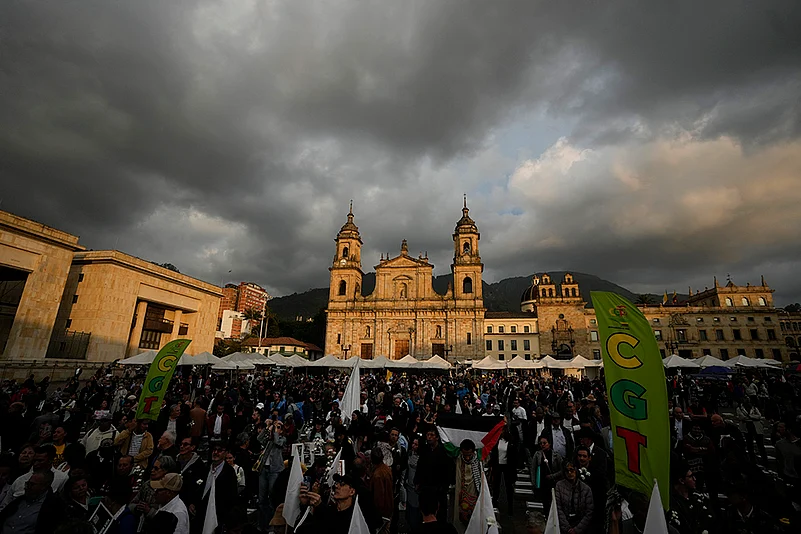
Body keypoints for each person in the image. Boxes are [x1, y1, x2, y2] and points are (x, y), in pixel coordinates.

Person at [189, 442, 238, 534]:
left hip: (217, 515)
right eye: (214, 450)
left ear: (226, 453)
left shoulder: (229, 472)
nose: (215, 452)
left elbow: (231, 496)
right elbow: (198, 488)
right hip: (200, 513)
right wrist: (193, 502)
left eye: (219, 450)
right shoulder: (205, 468)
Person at [0, 445, 68, 510]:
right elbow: (5, 505)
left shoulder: (62, 478)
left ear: (50, 461)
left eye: (40, 461)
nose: (35, 464)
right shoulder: (20, 480)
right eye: (34, 460)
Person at [295, 473, 367, 534]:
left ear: (352, 492)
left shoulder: (355, 516)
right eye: (336, 483)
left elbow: (337, 526)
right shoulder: (331, 510)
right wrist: (305, 505)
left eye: (342, 484)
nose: (336, 486)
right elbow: (303, 528)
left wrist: (320, 506)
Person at [0, 469, 64, 534]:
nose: (27, 487)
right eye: (27, 483)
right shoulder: (18, 501)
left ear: (44, 486)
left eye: (32, 484)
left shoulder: (52, 507)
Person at [414, 427, 453, 523]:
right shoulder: (425, 451)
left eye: (432, 435)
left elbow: (447, 471)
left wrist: (443, 487)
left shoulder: (443, 452)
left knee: (439, 516)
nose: (429, 437)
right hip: (425, 488)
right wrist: (417, 482)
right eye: (428, 435)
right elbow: (420, 467)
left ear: (437, 438)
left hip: (438, 490)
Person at [256, 418, 286, 531]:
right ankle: (263, 523)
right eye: (276, 427)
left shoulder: (283, 438)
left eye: (279, 427)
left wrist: (276, 432)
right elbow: (259, 439)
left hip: (275, 470)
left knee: (272, 497)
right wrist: (266, 427)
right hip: (264, 468)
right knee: (262, 498)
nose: (276, 429)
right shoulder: (269, 439)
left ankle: (274, 524)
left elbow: (278, 443)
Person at [554, 461, 593, 534]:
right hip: (564, 524)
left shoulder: (585, 489)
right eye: (567, 471)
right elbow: (558, 508)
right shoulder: (559, 485)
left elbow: (589, 512)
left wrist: (577, 529)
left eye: (572, 470)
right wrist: (567, 528)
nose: (569, 473)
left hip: (580, 525)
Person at [489, 424, 518, 514]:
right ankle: (495, 503)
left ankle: (510, 506)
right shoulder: (497, 441)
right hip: (498, 465)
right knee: (496, 485)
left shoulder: (511, 441)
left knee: (508, 486)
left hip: (507, 466)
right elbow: (493, 453)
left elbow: (514, 455)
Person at [454, 439, 481, 527]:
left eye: (469, 455)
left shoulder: (478, 462)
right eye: (465, 455)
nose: (467, 458)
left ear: (473, 452)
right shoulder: (458, 460)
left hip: (474, 492)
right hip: (461, 493)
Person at [369, 448, 393, 534]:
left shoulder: (377, 475)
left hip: (383, 512)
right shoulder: (387, 469)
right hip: (388, 507)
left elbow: (379, 497)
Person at [405, 436, 422, 534]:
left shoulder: (422, 457)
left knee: (415, 510)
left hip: (417, 487)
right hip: (409, 485)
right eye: (413, 443)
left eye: (416, 444)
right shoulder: (410, 454)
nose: (413, 446)